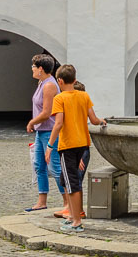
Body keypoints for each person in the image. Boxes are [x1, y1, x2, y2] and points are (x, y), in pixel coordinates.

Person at [45, 64, 106, 232]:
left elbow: (58, 124)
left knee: (72, 183)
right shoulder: (84, 96)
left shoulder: (60, 98)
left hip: (68, 145)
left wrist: (50, 146)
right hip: (83, 144)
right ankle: (72, 216)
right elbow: (93, 119)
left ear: (60, 81)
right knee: (67, 181)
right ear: (75, 79)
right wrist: (102, 121)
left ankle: (76, 221)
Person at [24, 54, 63, 211]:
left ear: (40, 69)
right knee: (39, 166)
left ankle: (68, 202)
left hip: (50, 131)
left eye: (33, 66)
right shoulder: (41, 82)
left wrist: (32, 122)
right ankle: (42, 201)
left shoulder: (49, 86)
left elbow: (47, 112)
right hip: (41, 131)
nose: (32, 69)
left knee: (55, 167)